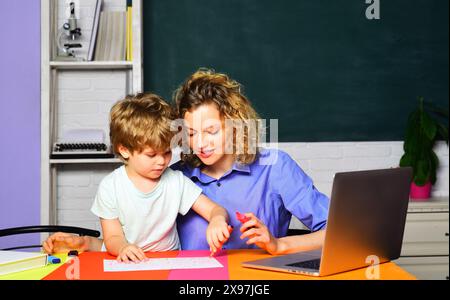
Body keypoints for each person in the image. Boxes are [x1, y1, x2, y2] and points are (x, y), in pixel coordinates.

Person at [44, 69, 329, 256]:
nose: (200, 143)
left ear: (234, 125)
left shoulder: (274, 166)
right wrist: (85, 245)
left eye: (211, 131)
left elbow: (341, 234)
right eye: (190, 133)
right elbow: (138, 244)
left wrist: (279, 245)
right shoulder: (174, 176)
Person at [43, 93, 231, 262]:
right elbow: (113, 237)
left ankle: (85, 243)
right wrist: (124, 248)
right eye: (151, 155)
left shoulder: (175, 181)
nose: (161, 161)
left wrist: (217, 220)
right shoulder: (110, 187)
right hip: (126, 260)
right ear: (124, 150)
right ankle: (83, 244)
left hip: (168, 261)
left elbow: (215, 209)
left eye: (166, 152)